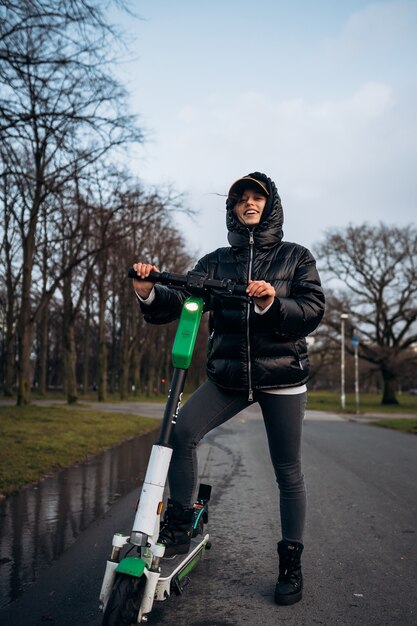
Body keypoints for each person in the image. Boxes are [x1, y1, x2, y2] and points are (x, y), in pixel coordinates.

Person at [132, 172, 325, 606]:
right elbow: (184, 301)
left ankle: (291, 561)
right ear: (233, 208)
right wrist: (148, 292)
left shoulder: (297, 258)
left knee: (288, 471)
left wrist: (271, 302)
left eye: (258, 197)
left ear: (270, 205)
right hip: (229, 377)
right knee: (181, 433)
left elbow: (312, 310)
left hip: (283, 379)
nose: (249, 203)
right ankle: (183, 518)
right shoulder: (216, 261)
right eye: (242, 199)